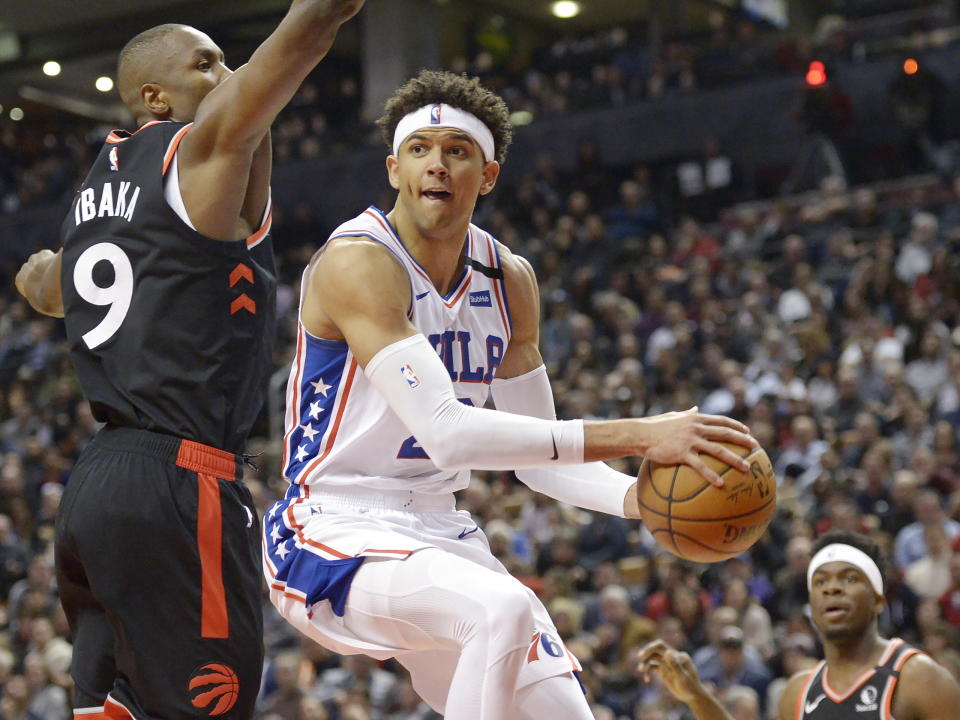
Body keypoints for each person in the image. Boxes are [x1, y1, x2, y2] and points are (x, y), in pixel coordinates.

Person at [263, 69, 757, 720]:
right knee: (503, 607)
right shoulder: (358, 261)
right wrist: (642, 432)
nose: (436, 165)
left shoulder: (507, 280)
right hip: (332, 526)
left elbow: (537, 462)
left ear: (487, 175)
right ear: (393, 169)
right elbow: (447, 431)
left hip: (439, 529)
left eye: (457, 151)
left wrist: (641, 500)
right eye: (420, 150)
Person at [14, 2, 365, 718]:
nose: (227, 73)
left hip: (97, 485)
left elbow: (46, 290)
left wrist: (42, 265)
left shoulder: (92, 193)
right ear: (155, 97)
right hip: (179, 483)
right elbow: (311, 28)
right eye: (204, 63)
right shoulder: (201, 153)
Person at [638, 530, 960, 720]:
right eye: (820, 582)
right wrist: (696, 696)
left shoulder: (920, 679)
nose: (832, 588)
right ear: (812, 606)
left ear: (878, 599)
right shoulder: (798, 692)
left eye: (849, 578)